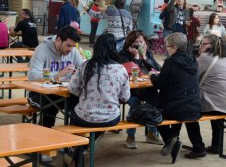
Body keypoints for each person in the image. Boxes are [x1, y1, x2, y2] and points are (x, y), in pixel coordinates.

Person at [66, 33, 130, 164]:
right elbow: (125, 97)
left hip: (83, 118)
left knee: (73, 112)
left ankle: (78, 147)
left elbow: (72, 89)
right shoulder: (121, 69)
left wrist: (86, 95)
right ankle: (84, 146)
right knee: (99, 123)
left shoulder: (86, 66)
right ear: (114, 49)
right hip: (110, 118)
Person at [150, 33, 205, 164]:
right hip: (194, 104)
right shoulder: (192, 59)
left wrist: (152, 75)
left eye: (167, 46)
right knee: (189, 115)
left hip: (176, 106)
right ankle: (199, 147)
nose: (166, 48)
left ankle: (171, 139)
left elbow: (159, 84)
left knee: (154, 114)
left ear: (174, 47)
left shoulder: (170, 62)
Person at [191, 34, 226, 157]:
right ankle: (216, 145)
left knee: (187, 111)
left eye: (203, 44)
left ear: (211, 46)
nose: (200, 46)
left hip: (222, 105)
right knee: (216, 105)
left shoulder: (205, 58)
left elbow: (191, 77)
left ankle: (198, 147)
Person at [28, 26, 83, 128]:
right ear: (58, 40)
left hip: (63, 93)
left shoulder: (73, 51)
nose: (71, 49)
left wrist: (78, 73)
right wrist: (57, 75)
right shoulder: (42, 50)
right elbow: (32, 75)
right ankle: (45, 136)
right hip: (39, 93)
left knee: (80, 103)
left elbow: (83, 69)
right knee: (51, 106)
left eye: (73, 46)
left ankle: (75, 139)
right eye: (68, 45)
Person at [118, 31, 163, 149]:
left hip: (146, 88)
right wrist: (137, 57)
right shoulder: (123, 54)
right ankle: (130, 136)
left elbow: (158, 69)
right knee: (136, 105)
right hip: (129, 91)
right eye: (136, 43)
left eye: (141, 42)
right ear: (129, 44)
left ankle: (152, 134)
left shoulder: (147, 53)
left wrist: (145, 57)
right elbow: (133, 72)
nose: (139, 45)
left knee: (156, 103)